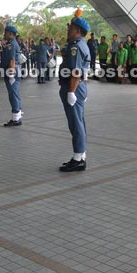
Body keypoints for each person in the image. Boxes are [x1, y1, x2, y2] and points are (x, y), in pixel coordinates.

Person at [58, 10, 91, 172]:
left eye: (70, 27)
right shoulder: (76, 44)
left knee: (75, 123)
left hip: (74, 88)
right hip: (77, 87)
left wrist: (71, 91)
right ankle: (81, 155)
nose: (68, 28)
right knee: (78, 122)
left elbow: (76, 71)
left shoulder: (76, 47)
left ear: (77, 30)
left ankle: (78, 158)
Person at [2, 24, 22, 126]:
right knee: (15, 94)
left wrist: (11, 75)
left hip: (12, 71)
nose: (4, 34)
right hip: (14, 71)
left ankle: (15, 119)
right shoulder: (10, 43)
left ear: (10, 34)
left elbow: (12, 60)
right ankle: (17, 116)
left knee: (13, 95)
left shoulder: (11, 44)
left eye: (5, 33)